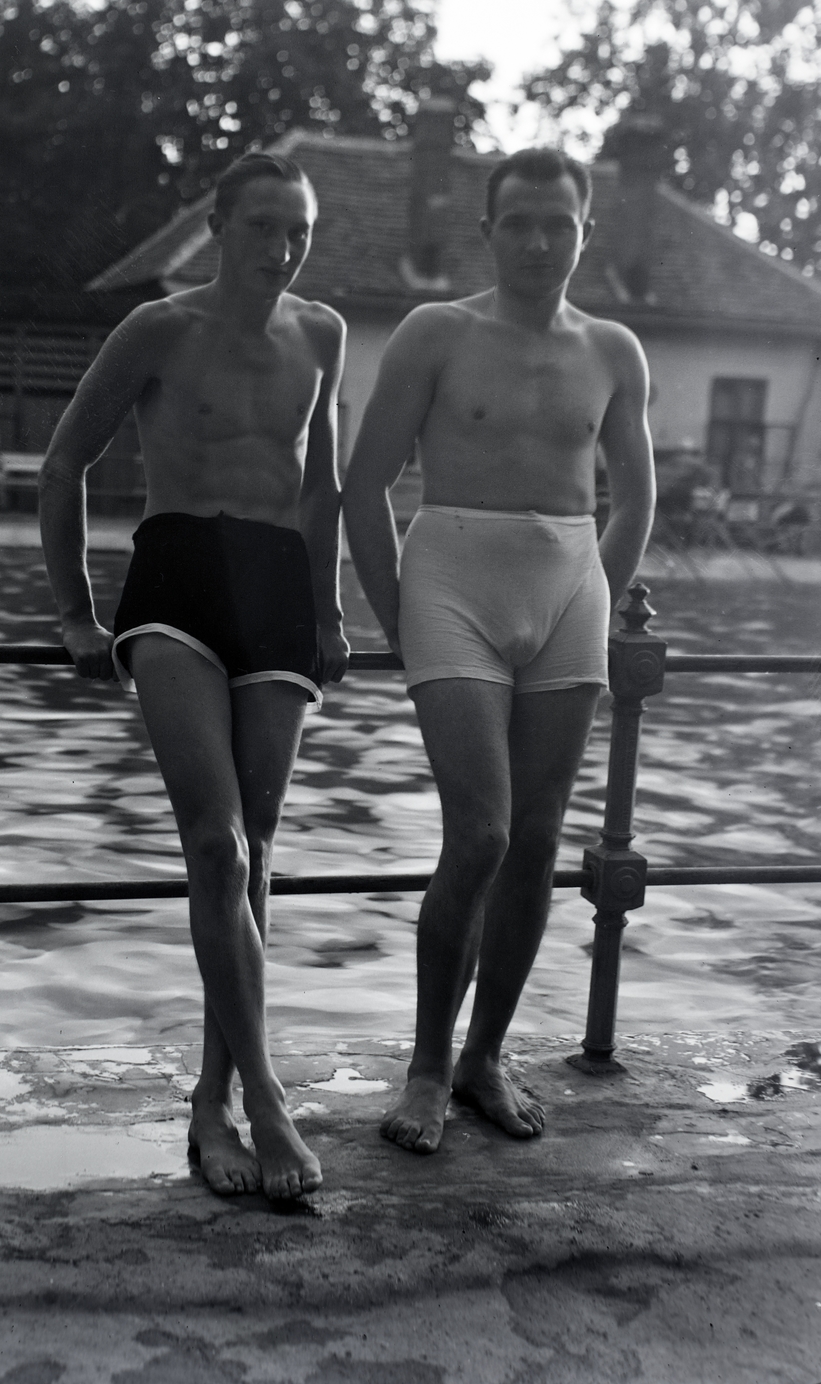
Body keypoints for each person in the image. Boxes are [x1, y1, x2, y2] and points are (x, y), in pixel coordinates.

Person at [38, 152, 349, 1200]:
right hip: (175, 572)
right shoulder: (157, 328)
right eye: (261, 226)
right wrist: (76, 610)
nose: (280, 247)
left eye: (297, 230)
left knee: (253, 857)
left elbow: (324, 490)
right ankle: (265, 1097)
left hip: (274, 591)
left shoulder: (324, 334)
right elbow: (64, 459)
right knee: (213, 843)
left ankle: (210, 1100)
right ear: (216, 228)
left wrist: (332, 610)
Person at [342, 147, 655, 1154]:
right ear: (488, 229)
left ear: (582, 232)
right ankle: (428, 1063)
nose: (535, 241)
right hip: (452, 577)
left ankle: (484, 1057)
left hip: (567, 578)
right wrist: (396, 619)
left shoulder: (613, 350)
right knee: (477, 831)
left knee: (535, 841)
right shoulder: (437, 332)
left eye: (555, 224)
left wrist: (595, 595)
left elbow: (634, 492)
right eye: (516, 221)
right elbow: (365, 484)